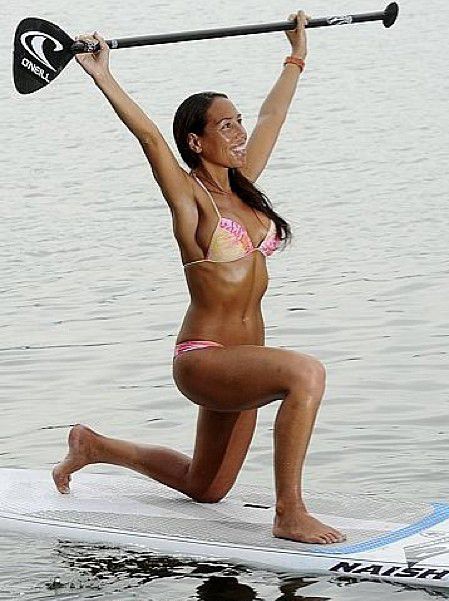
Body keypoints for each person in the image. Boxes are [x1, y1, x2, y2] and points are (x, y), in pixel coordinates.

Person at [52, 11, 345, 545]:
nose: (239, 132)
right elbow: (147, 138)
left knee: (206, 487)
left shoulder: (244, 186)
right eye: (225, 125)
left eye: (238, 122)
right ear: (195, 141)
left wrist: (295, 56)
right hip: (206, 360)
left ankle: (93, 446)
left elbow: (273, 115)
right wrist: (102, 75)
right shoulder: (192, 200)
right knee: (305, 374)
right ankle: (290, 512)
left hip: (244, 367)